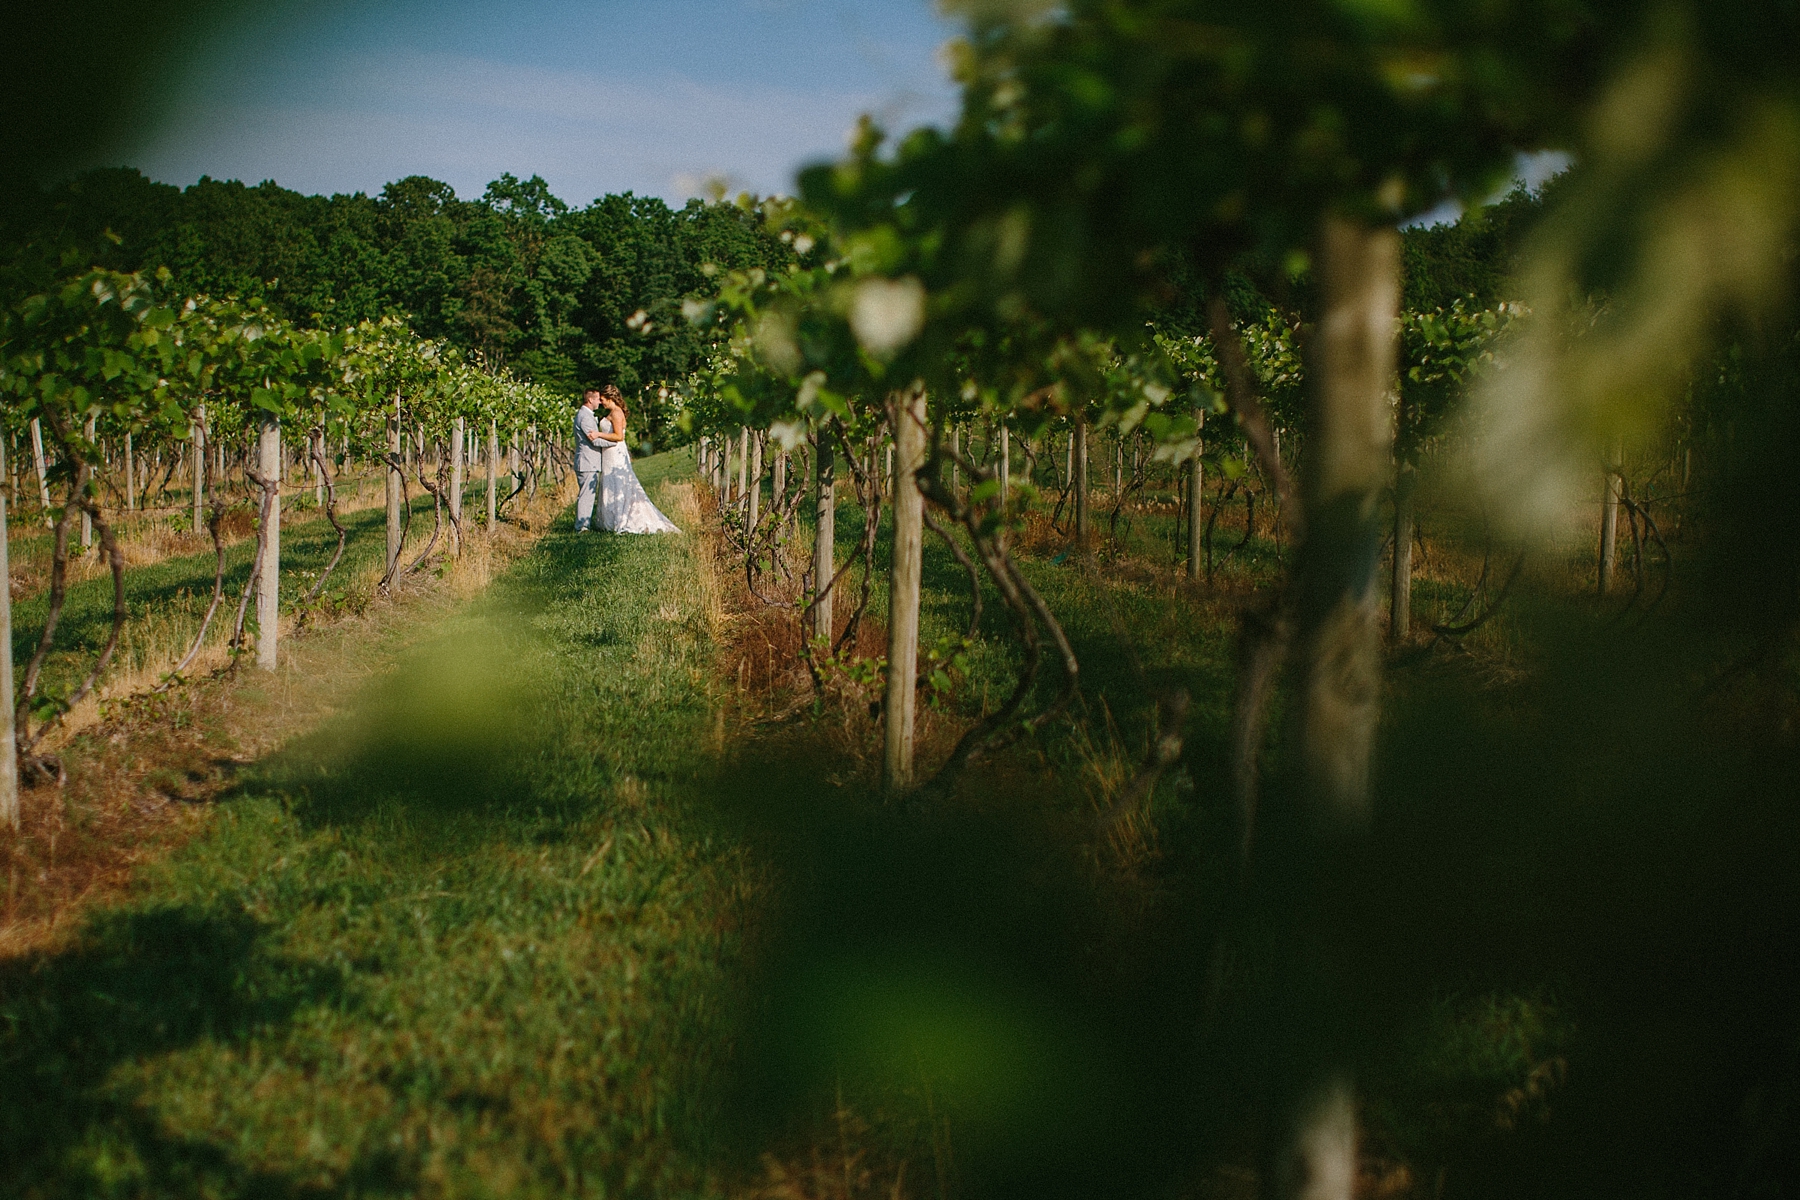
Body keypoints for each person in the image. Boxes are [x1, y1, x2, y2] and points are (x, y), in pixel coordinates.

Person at [595, 386, 680, 534]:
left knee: (617, 483)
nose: (601, 403)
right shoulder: (613, 412)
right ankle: (609, 519)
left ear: (610, 398)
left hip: (615, 453)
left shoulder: (616, 413)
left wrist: (598, 434)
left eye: (603, 400)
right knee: (610, 482)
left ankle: (620, 518)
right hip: (609, 453)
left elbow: (618, 436)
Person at [572, 387, 623, 532]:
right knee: (586, 496)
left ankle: (584, 524)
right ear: (590, 400)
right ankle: (581, 526)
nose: (600, 402)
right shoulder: (585, 416)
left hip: (589, 461)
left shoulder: (586, 415)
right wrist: (614, 443)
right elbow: (594, 440)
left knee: (588, 495)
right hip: (587, 461)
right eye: (597, 399)